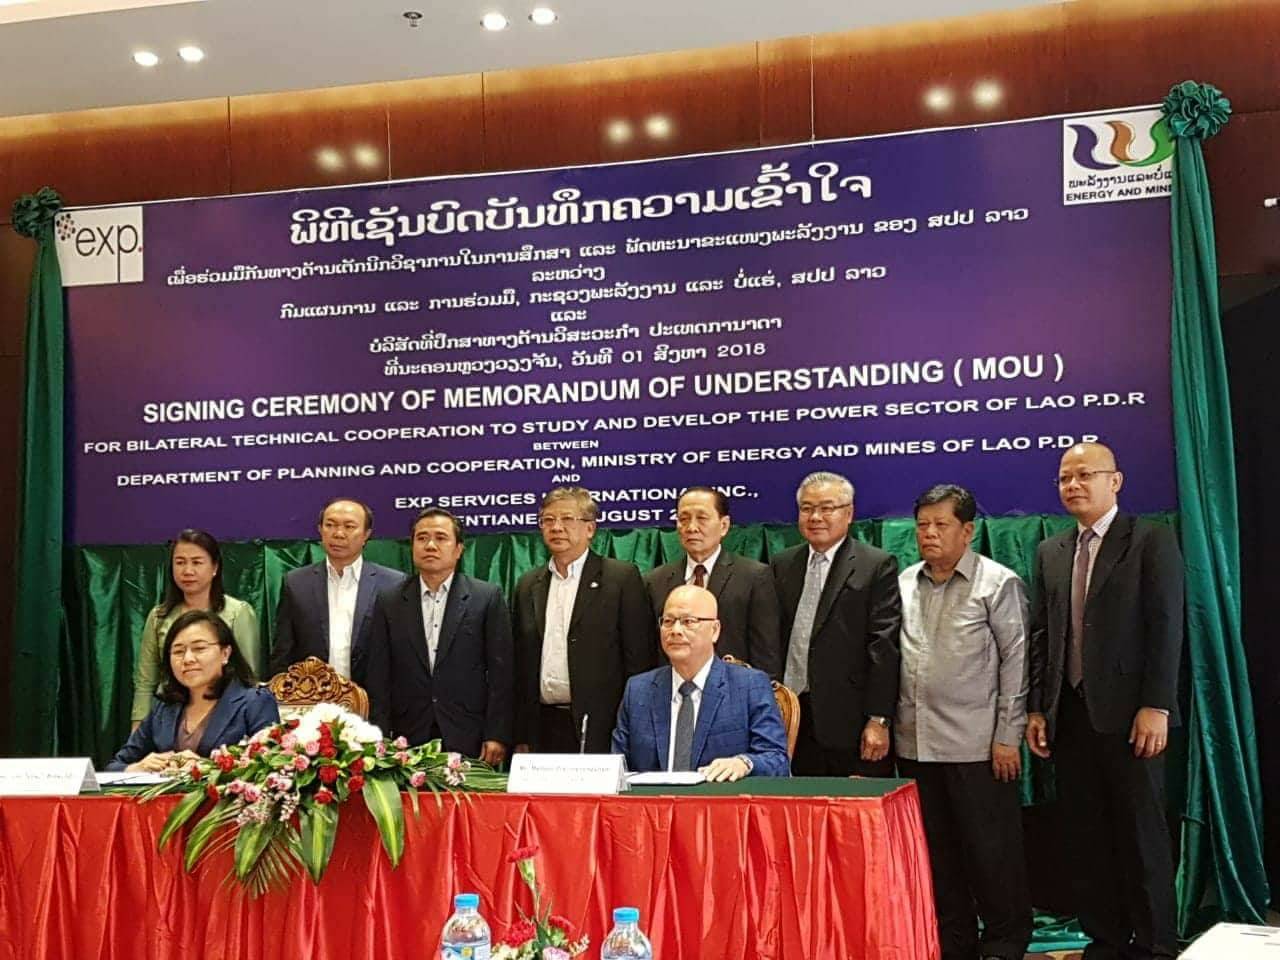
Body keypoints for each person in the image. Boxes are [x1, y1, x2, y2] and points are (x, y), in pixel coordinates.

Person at [1026, 442, 1182, 960]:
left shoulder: (1149, 540)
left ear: (1115, 481)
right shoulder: (1052, 550)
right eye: (1064, 478)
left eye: (1085, 475)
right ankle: (1106, 937)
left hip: (1132, 716)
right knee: (1086, 836)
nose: (1073, 485)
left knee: (1142, 834)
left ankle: (1156, 942)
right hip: (1069, 717)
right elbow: (1044, 635)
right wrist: (1036, 709)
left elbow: (1166, 626)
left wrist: (1156, 704)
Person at [895, 484, 1033, 960]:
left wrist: (1007, 737)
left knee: (991, 854)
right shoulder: (905, 582)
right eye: (922, 525)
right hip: (916, 745)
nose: (929, 534)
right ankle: (954, 942)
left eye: (941, 525)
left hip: (978, 747)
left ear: (968, 530)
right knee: (938, 856)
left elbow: (1017, 663)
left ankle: (1005, 941)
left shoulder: (998, 583)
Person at [771, 471, 901, 776]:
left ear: (849, 513)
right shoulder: (782, 564)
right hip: (791, 716)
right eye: (806, 508)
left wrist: (879, 719)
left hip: (850, 721)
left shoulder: (875, 565)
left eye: (826, 508)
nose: (815, 517)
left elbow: (884, 647)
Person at [512, 487, 656, 754]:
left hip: (603, 726)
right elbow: (520, 664)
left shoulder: (620, 579)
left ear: (590, 529)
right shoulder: (528, 584)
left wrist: (633, 726)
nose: (556, 527)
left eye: (567, 519)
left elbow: (639, 659)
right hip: (542, 726)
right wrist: (521, 732)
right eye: (548, 520)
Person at [363, 508, 512, 764]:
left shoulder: (485, 597)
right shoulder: (390, 601)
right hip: (407, 733)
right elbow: (379, 674)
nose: (430, 545)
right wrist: (380, 736)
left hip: (468, 731)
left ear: (458, 549)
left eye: (441, 538)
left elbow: (502, 674)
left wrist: (497, 733)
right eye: (422, 538)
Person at [612, 585, 789, 780]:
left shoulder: (749, 686)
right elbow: (618, 766)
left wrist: (743, 763)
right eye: (668, 621)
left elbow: (777, 760)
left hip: (719, 806)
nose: (676, 630)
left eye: (688, 621)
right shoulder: (638, 690)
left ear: (714, 630)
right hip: (653, 808)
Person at [109, 610, 279, 771]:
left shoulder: (255, 702)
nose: (188, 659)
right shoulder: (164, 708)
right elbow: (115, 765)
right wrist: (136, 768)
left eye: (199, 648)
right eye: (178, 651)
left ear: (225, 654)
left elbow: (270, 767)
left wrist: (207, 768)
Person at [644, 486, 782, 679]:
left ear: (724, 525)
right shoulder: (655, 581)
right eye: (683, 519)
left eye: (701, 518)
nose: (691, 527)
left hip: (734, 696)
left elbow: (766, 653)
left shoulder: (754, 577)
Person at [130, 529, 260, 730]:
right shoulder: (159, 616)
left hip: (226, 718)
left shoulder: (237, 612)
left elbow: (248, 677)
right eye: (180, 562)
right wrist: (138, 728)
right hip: (170, 716)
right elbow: (146, 681)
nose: (187, 571)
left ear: (215, 567)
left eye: (197, 562)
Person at [267, 497, 402, 683]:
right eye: (330, 525)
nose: (338, 533)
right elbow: (283, 652)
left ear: (366, 534)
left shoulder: (391, 584)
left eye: (349, 526)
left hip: (373, 701)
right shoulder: (297, 583)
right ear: (320, 530)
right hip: (311, 701)